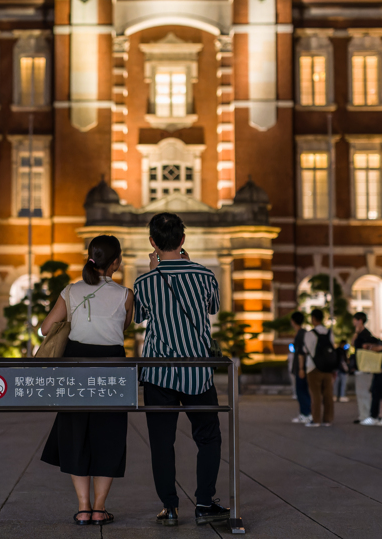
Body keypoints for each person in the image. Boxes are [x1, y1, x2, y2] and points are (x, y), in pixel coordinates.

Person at [134, 212, 229, 527]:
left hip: (158, 372)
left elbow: (139, 317)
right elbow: (213, 308)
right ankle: (204, 504)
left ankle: (170, 507)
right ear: (183, 240)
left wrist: (154, 271)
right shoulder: (205, 275)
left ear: (152, 243)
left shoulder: (145, 281)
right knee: (208, 437)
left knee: (162, 442)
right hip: (198, 372)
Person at [41, 235, 134, 527]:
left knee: (75, 433)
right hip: (113, 368)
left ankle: (83, 508)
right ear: (116, 262)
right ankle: (100, 507)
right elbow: (124, 327)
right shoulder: (125, 294)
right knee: (110, 435)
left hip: (75, 366)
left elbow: (46, 329)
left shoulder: (70, 290)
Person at [302, 308, 336, 427]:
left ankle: (316, 419)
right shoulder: (329, 333)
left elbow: (305, 350)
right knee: (328, 394)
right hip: (328, 368)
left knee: (315, 394)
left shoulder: (309, 334)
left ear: (313, 319)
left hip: (313, 367)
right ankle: (328, 419)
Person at [351, 312, 378, 424]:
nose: (353, 322)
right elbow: (353, 344)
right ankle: (363, 415)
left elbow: (355, 344)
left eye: (355, 320)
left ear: (360, 321)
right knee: (361, 392)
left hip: (365, 366)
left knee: (364, 392)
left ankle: (366, 415)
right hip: (361, 366)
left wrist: (357, 333)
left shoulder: (365, 335)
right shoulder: (361, 334)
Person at [288, 311, 312, 425]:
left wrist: (301, 368)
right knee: (304, 390)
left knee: (301, 391)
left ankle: (305, 414)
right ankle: (306, 413)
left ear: (293, 321)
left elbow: (301, 353)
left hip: (301, 367)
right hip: (304, 367)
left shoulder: (300, 335)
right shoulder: (304, 333)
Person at [334, 338, 350, 403]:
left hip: (337, 369)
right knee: (342, 383)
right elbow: (343, 361)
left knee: (337, 383)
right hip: (341, 369)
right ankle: (341, 396)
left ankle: (335, 396)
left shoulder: (338, 350)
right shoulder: (341, 351)